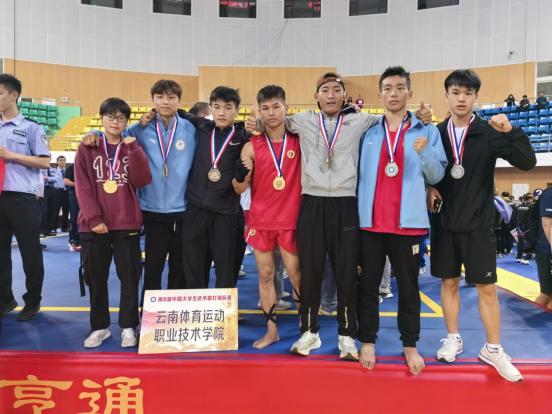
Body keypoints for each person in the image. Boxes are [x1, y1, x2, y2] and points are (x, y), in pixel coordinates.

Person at [246, 71, 433, 359]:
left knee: (347, 273)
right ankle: (309, 332)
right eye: (325, 90)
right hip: (312, 203)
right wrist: (257, 123)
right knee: (310, 273)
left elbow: (394, 117)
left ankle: (347, 335)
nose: (331, 95)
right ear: (316, 96)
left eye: (336, 90)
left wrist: (420, 116)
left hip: (346, 204)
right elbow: (274, 123)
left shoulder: (362, 120)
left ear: (344, 95)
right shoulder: (303, 120)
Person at [427, 69, 536, 382]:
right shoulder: (436, 133)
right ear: (446, 96)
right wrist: (428, 187)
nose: (461, 99)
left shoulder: (489, 132)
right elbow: (424, 168)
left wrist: (511, 130)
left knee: (487, 289)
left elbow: (527, 162)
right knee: (448, 284)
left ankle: (493, 348)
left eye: (468, 93)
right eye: (456, 93)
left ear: (476, 97)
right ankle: (453, 338)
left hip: (478, 226)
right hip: (445, 224)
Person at [357, 66, 447, 374]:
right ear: (379, 94)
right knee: (367, 287)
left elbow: (437, 175)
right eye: (387, 88)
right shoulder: (369, 131)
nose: (393, 93)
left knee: (409, 289)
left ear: (409, 92)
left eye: (399, 88)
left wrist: (425, 153)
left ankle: (410, 344)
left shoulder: (427, 130)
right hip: (370, 224)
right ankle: (367, 341)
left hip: (408, 225)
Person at [83, 80, 199, 304]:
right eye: (160, 97)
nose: (165, 102)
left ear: (179, 101)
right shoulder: (138, 129)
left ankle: (175, 316)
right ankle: (148, 317)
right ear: (153, 100)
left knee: (180, 269)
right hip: (151, 211)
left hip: (183, 212)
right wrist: (93, 131)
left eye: (171, 97)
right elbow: (112, 132)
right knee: (153, 269)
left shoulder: (191, 130)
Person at [141, 86, 253, 290]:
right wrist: (150, 112)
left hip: (225, 213)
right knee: (193, 271)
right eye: (217, 107)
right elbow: (174, 110)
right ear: (211, 109)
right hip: (195, 211)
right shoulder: (202, 126)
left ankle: (223, 310)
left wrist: (260, 124)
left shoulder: (244, 138)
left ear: (237, 110)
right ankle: (197, 309)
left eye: (228, 108)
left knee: (225, 272)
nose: (221, 112)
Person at [75, 98, 152, 348]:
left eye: (120, 118)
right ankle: (99, 327)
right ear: (101, 118)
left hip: (126, 221)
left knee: (129, 277)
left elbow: (142, 180)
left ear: (127, 121)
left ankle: (129, 326)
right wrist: (93, 217)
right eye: (110, 116)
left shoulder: (133, 145)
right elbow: (82, 185)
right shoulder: (87, 146)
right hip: (93, 224)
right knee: (95, 278)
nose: (115, 121)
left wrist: (135, 150)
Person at [234, 85, 302, 350]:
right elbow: (239, 188)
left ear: (286, 108)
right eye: (265, 108)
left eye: (276, 106)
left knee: (296, 276)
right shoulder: (251, 146)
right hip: (261, 221)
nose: (271, 113)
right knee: (265, 275)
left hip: (291, 220)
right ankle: (272, 331)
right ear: (259, 111)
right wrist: (239, 176)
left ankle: (305, 328)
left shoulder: (300, 140)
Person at [0, 74, 50, 322]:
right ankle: (5, 299)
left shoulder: (31, 127)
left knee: (30, 252)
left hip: (22, 198)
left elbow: (45, 161)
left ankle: (32, 301)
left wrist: (13, 156)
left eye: (0, 93)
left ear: (13, 95)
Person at [534, 185, 552, 309]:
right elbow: (547, 224)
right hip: (547, 250)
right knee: (547, 293)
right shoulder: (549, 194)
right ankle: (536, 320)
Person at [512, 193, 534, 264]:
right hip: (529, 227)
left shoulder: (517, 207)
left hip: (519, 227)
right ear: (529, 199)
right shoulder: (531, 207)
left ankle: (519, 257)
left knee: (520, 242)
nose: (532, 201)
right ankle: (527, 259)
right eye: (532, 199)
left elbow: (513, 218)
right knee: (529, 243)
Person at [63, 162, 80, 251]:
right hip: (74, 195)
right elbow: (66, 181)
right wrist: (80, 185)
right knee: (75, 219)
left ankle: (81, 241)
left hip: (87, 195)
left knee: (84, 219)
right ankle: (72, 240)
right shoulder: (71, 167)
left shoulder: (88, 165)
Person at [51, 155, 69, 233]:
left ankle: (65, 227)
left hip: (67, 191)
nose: (62, 162)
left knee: (66, 210)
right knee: (56, 210)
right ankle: (53, 227)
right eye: (61, 160)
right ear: (57, 162)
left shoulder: (67, 171)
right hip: (58, 191)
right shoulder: (54, 171)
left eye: (64, 160)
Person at [39, 156, 56, 238]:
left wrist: (46, 178)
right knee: (43, 211)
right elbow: (40, 178)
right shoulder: (39, 168)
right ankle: (42, 231)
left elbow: (56, 179)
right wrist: (50, 178)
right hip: (43, 189)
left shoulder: (54, 169)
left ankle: (49, 230)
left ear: (50, 159)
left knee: (51, 210)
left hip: (52, 189)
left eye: (49, 157)